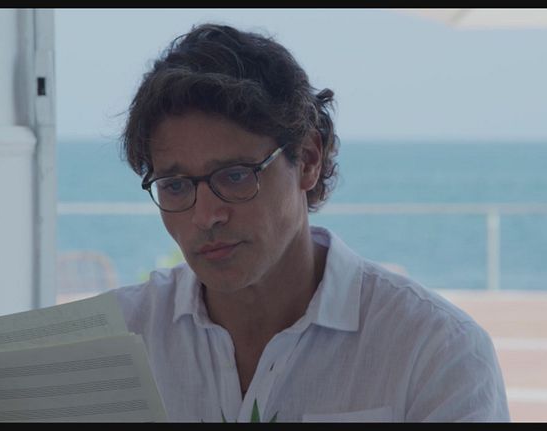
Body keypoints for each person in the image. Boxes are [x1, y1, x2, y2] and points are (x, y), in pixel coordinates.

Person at [115, 22, 509, 422]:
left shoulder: (434, 351)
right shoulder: (112, 343)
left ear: (307, 160)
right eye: (176, 185)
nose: (205, 216)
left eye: (235, 176)